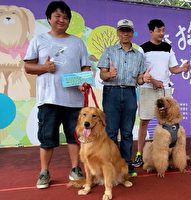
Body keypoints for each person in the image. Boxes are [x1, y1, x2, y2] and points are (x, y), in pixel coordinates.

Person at [24, 1, 91, 189]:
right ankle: (44, 171)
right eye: (57, 16)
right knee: (47, 138)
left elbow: (85, 66)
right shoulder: (38, 40)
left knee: (74, 137)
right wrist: (44, 67)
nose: (62, 20)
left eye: (65, 17)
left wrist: (84, 80)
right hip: (49, 99)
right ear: (49, 19)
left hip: (74, 101)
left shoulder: (77, 42)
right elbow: (28, 66)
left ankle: (75, 169)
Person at [132, 19, 189, 168]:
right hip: (147, 89)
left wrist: (182, 69)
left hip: (165, 91)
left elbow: (173, 69)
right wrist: (153, 81)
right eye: (159, 30)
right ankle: (139, 155)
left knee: (167, 122)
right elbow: (140, 73)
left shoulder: (168, 48)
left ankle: (167, 156)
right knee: (144, 121)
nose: (162, 33)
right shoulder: (142, 49)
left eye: (163, 30)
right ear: (151, 31)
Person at [97, 19, 148, 177]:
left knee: (127, 132)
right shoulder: (109, 51)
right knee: (111, 131)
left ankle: (126, 164)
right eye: (122, 30)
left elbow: (139, 80)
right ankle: (110, 164)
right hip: (111, 92)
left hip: (130, 93)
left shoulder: (139, 56)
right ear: (118, 33)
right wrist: (109, 74)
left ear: (132, 33)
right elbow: (102, 74)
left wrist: (143, 79)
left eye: (128, 31)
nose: (125, 33)